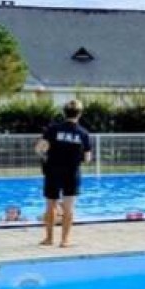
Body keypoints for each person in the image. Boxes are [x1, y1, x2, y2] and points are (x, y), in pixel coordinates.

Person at [35, 100, 92, 248]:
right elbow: (87, 158)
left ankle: (49, 238)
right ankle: (65, 240)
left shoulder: (53, 129)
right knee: (68, 207)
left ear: (64, 112)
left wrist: (46, 157)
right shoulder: (83, 133)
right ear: (79, 113)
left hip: (53, 170)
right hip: (72, 173)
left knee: (51, 205)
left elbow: (39, 148)